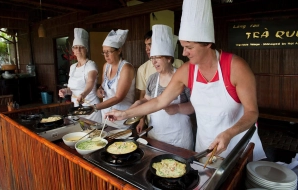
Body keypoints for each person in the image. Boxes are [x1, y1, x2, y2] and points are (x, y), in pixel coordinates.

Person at [106, 0, 266, 161]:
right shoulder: (187, 71)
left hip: (238, 143)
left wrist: (229, 133)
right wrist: (124, 114)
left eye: (189, 47)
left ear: (208, 44)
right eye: (183, 46)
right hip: (206, 145)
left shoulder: (235, 67)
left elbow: (252, 113)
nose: (184, 53)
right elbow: (159, 101)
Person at [131, 24, 193, 150]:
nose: (153, 62)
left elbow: (194, 106)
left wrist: (178, 108)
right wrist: (140, 102)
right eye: (152, 58)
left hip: (179, 139)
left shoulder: (183, 78)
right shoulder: (152, 79)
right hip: (156, 136)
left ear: (169, 58)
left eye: (157, 57)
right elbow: (148, 99)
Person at [135, 30, 185, 128]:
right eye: (146, 45)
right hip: (154, 125)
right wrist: (141, 120)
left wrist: (178, 108)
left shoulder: (181, 67)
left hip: (179, 129)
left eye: (150, 44)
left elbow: (192, 103)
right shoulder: (144, 70)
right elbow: (145, 97)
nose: (147, 49)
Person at [59, 28, 102, 123]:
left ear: (86, 49)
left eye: (81, 47)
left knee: (93, 135)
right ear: (72, 50)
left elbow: (90, 82)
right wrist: (65, 91)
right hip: (77, 107)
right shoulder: (73, 67)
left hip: (90, 108)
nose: (78, 49)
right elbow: (72, 89)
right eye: (75, 47)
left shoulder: (91, 64)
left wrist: (83, 94)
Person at [94, 29, 135, 129]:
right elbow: (102, 86)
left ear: (119, 50)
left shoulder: (126, 68)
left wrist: (95, 107)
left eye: (109, 52)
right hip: (107, 115)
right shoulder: (106, 66)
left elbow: (118, 97)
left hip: (122, 117)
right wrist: (99, 90)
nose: (106, 55)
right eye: (104, 52)